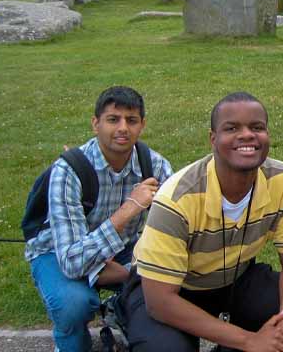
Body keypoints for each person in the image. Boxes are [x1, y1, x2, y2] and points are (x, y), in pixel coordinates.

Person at [124, 92, 283, 351]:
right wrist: (249, 340)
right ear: (213, 138)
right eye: (232, 128)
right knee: (164, 348)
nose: (247, 135)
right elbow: (160, 302)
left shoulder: (282, 181)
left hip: (235, 277)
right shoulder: (177, 198)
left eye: (257, 127)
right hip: (172, 288)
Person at [24, 86, 173, 352]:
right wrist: (130, 208)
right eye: (113, 119)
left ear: (142, 125)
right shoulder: (68, 170)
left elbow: (174, 233)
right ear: (96, 124)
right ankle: (72, 344)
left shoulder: (155, 165)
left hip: (122, 247)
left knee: (167, 286)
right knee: (74, 304)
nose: (123, 128)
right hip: (57, 252)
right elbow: (72, 261)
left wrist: (138, 268)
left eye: (132, 120)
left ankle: (121, 311)